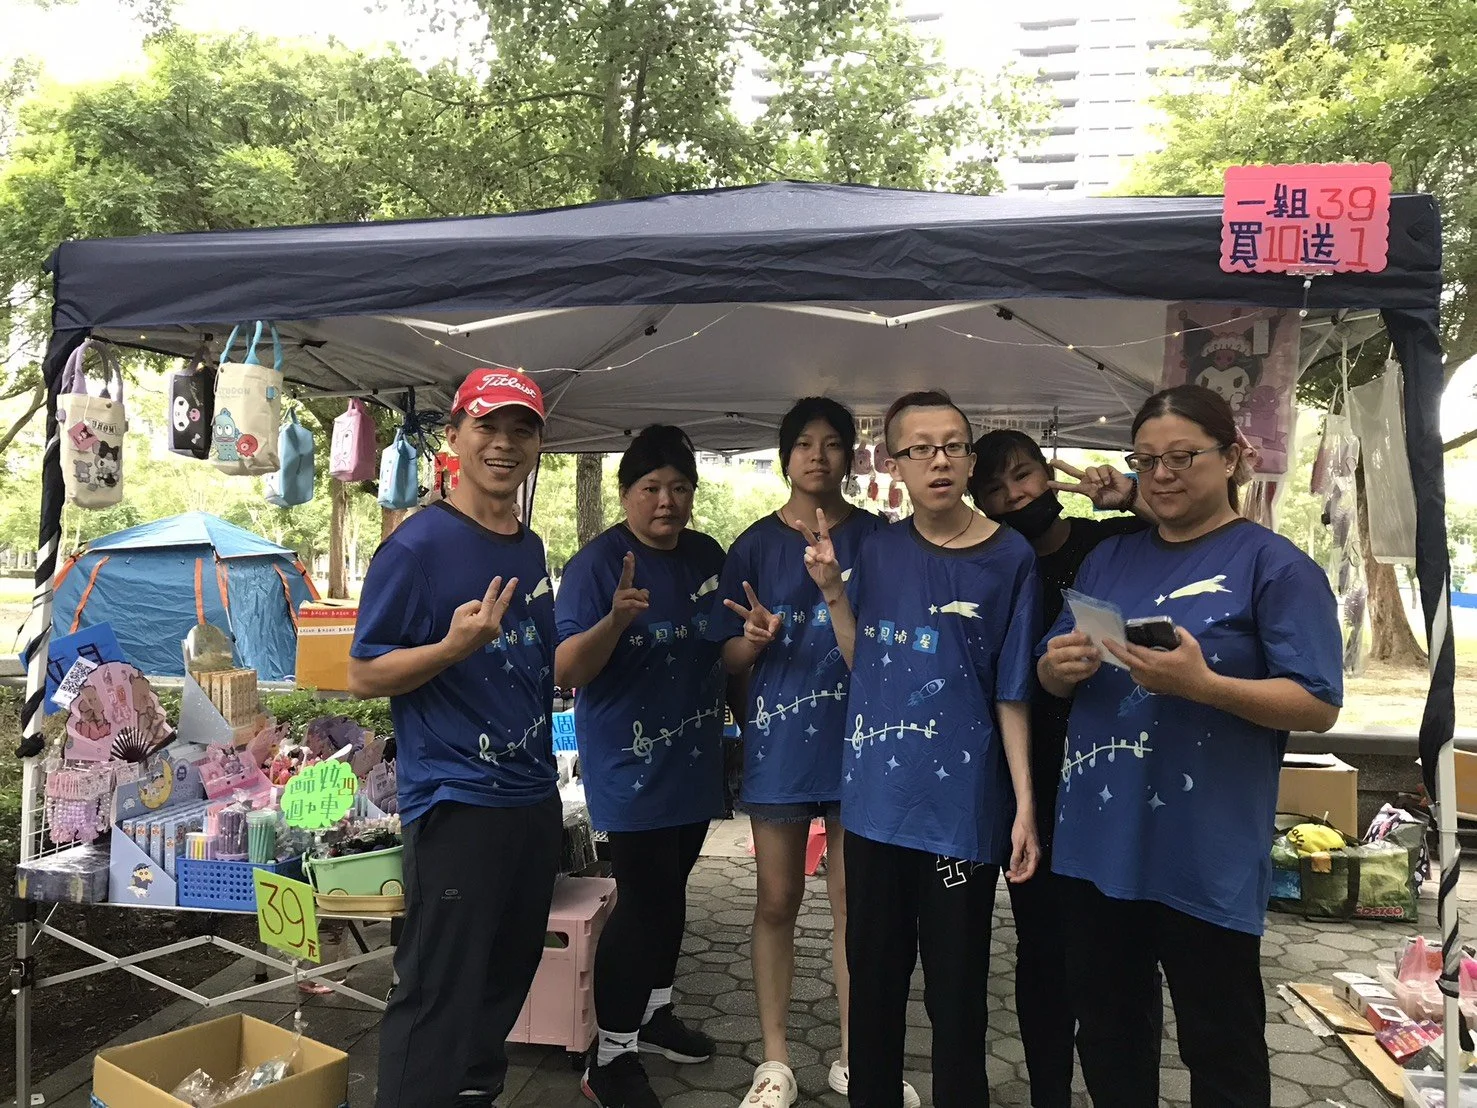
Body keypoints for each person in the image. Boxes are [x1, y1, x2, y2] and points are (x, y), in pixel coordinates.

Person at [1038, 384, 1342, 1108]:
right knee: (1108, 1031)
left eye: (1182, 456)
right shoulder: (1110, 558)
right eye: (1145, 460)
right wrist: (1057, 669)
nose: (1163, 474)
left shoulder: (1276, 567)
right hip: (1097, 842)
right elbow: (1050, 669)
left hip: (1203, 849)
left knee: (1220, 1039)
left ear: (1234, 457)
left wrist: (1204, 685)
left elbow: (1318, 703)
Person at [800, 389, 1041, 1108]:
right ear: (893, 464)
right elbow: (862, 662)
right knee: (872, 985)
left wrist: (1024, 807)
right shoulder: (875, 549)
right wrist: (833, 594)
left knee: (958, 989)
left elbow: (1010, 692)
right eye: (920, 449)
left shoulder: (1010, 558)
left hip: (961, 814)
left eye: (952, 446)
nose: (938, 461)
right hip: (874, 806)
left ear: (969, 459)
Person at [349, 368, 562, 1108]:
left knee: (506, 977)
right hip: (457, 802)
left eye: (521, 429)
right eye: (486, 426)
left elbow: (537, 665)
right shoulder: (417, 549)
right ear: (455, 436)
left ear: (538, 442)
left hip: (532, 798)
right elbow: (364, 674)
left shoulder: (528, 547)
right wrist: (449, 648)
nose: (503, 443)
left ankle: (474, 1094)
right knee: (438, 989)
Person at [708, 398, 899, 1108]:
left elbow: (891, 643)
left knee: (856, 905)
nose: (817, 456)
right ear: (785, 456)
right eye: (803, 444)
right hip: (780, 747)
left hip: (863, 746)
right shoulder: (753, 545)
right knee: (776, 900)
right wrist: (749, 641)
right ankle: (775, 1062)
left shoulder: (880, 541)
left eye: (832, 444)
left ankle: (856, 1057)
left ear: (851, 456)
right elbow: (725, 656)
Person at [968, 429, 1154, 1108]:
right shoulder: (993, 567)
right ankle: (1047, 1089)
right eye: (993, 488)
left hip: (1114, 781)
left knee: (1115, 957)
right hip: (1032, 784)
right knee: (1040, 950)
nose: (1013, 494)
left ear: (1048, 475)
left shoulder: (1108, 545)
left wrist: (1128, 495)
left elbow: (1193, 527)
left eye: (1021, 475)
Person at [555, 425, 728, 1108]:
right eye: (651, 488)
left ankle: (654, 1012)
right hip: (629, 765)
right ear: (626, 493)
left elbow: (725, 642)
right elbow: (569, 670)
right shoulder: (598, 564)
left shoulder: (707, 555)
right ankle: (611, 1056)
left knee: (672, 891)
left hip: (694, 759)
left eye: (679, 487)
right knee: (643, 900)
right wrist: (614, 621)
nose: (666, 501)